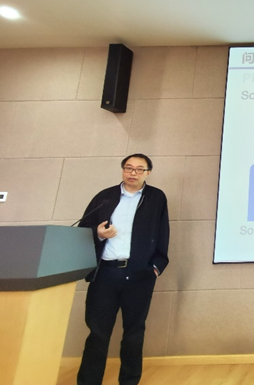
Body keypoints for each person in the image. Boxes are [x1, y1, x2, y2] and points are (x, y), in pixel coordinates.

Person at [76, 153, 170, 385]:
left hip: (139, 275)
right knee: (97, 333)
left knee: (134, 333)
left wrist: (156, 266)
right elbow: (82, 230)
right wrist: (98, 234)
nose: (132, 173)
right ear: (122, 170)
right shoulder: (104, 197)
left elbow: (163, 233)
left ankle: (129, 381)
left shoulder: (156, 198)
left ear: (148, 172)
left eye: (139, 169)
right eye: (128, 168)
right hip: (105, 274)